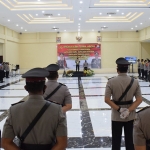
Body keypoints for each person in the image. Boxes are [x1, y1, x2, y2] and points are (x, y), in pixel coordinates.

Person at [2, 68, 67, 150]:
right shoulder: (57, 109)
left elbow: (5, 143)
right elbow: (62, 144)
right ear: (45, 87)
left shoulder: (14, 110)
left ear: (25, 88)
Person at [105, 57, 142, 150]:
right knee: (130, 141)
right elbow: (139, 100)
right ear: (127, 69)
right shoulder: (135, 81)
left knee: (116, 141)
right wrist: (128, 111)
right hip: (130, 115)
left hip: (116, 116)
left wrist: (119, 109)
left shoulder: (111, 81)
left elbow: (107, 99)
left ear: (117, 70)